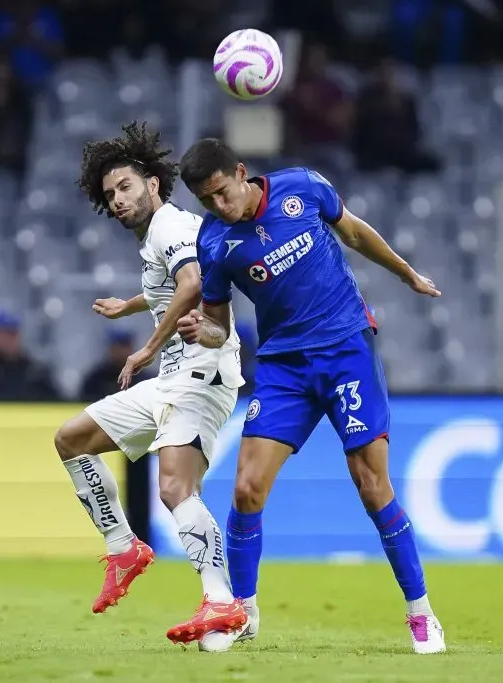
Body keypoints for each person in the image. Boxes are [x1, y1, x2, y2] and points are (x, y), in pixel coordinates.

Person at [175, 139, 447, 654]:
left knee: (372, 486)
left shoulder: (303, 186)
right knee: (246, 489)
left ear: (240, 173)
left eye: (221, 194)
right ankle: (242, 611)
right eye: (205, 202)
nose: (218, 207)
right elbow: (218, 327)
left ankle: (421, 613)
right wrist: (200, 331)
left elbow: (356, 233)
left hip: (346, 347)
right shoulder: (214, 243)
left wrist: (406, 273)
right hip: (283, 367)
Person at [60, 122, 247, 650]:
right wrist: (131, 304)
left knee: (173, 489)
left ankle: (220, 599)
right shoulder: (163, 234)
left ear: (153, 185)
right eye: (109, 195)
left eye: (124, 187)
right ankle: (124, 547)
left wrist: (145, 347)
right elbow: (175, 282)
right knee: (71, 439)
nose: (117, 200)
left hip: (203, 370)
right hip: (173, 377)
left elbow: (191, 284)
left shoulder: (168, 225)